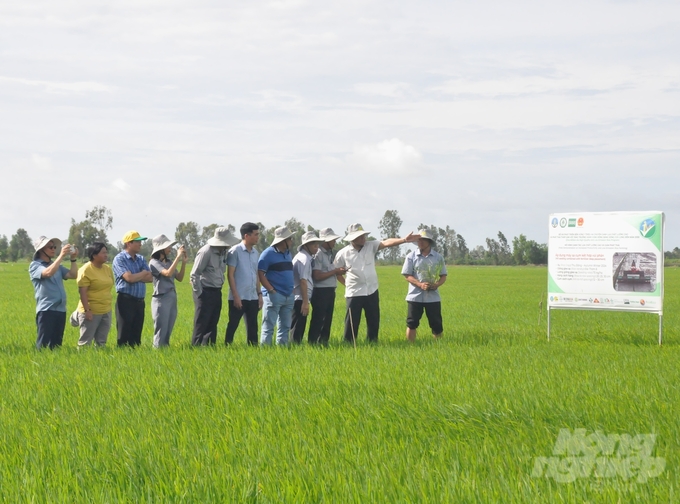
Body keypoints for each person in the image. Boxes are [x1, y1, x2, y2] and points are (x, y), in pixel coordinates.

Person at [333, 223, 417, 343]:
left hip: (371, 290)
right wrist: (346, 284)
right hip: (354, 293)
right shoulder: (343, 253)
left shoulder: (370, 246)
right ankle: (349, 343)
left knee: (373, 320)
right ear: (352, 238)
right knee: (352, 321)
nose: (363, 238)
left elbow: (387, 242)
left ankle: (372, 342)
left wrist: (404, 240)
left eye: (364, 236)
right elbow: (337, 272)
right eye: (360, 236)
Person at [190, 227, 240, 346]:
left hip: (217, 291)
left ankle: (209, 347)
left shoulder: (223, 252)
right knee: (202, 323)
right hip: (205, 291)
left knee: (213, 322)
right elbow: (194, 274)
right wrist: (200, 294)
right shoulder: (205, 252)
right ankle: (196, 348)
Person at [29, 236, 78, 349]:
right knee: (43, 345)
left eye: (54, 247)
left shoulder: (57, 266)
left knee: (56, 345)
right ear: (41, 250)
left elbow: (73, 275)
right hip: (46, 309)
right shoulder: (35, 265)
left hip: (60, 309)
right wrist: (61, 256)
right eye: (50, 247)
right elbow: (47, 273)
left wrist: (73, 259)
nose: (53, 249)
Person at [401, 229, 448, 341]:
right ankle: (410, 346)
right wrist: (420, 284)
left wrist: (436, 284)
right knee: (412, 323)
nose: (420, 242)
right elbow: (407, 275)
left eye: (423, 240)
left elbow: (443, 276)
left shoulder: (438, 257)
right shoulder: (411, 256)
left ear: (429, 242)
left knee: (436, 323)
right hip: (415, 296)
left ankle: (439, 346)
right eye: (418, 240)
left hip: (433, 297)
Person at [112, 231, 152, 347]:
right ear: (129, 243)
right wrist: (142, 273)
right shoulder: (120, 259)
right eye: (138, 242)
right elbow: (128, 278)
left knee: (136, 335)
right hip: (126, 301)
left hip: (140, 302)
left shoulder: (140, 258)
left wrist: (136, 276)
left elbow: (150, 278)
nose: (140, 244)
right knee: (124, 333)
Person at [225, 222, 262, 346]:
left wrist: (259, 294)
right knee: (233, 325)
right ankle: (227, 347)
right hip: (238, 296)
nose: (258, 237)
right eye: (256, 234)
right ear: (247, 235)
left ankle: (253, 350)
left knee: (253, 328)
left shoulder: (256, 253)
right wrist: (236, 296)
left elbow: (256, 274)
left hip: (252, 296)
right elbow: (230, 275)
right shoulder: (235, 251)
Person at [308, 228, 346, 345]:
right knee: (319, 318)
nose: (334, 242)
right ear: (326, 241)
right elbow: (317, 275)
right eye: (332, 240)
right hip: (320, 292)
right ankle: (313, 342)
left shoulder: (330, 253)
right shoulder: (319, 254)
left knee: (327, 319)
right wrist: (335, 271)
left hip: (330, 291)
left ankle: (324, 342)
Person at [71, 242, 114, 347]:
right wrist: (87, 311)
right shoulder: (85, 270)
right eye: (103, 253)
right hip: (91, 311)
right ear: (94, 255)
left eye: (106, 252)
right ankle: (82, 361)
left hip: (106, 310)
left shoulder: (107, 269)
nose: (106, 255)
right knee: (85, 342)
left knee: (101, 342)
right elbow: (82, 292)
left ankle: (99, 361)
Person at [258, 226, 295, 346]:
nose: (291, 241)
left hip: (288, 295)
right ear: (282, 241)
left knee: (285, 327)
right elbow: (260, 273)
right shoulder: (267, 254)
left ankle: (282, 350)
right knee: (268, 326)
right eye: (290, 239)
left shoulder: (288, 253)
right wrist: (271, 290)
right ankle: (265, 351)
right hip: (274, 296)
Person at [149, 234, 187, 348]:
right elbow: (167, 273)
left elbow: (179, 277)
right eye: (168, 247)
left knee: (169, 327)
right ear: (161, 249)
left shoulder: (169, 262)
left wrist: (184, 262)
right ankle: (157, 351)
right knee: (161, 328)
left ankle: (165, 349)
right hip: (160, 298)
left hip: (171, 296)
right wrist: (178, 257)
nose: (170, 249)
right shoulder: (154, 263)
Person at [290, 231, 324, 344]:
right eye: (313, 244)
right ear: (305, 245)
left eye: (317, 243)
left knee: (299, 326)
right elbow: (303, 281)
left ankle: (296, 347)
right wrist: (305, 302)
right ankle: (294, 349)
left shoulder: (306, 258)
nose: (316, 246)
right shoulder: (304, 259)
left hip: (301, 298)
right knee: (297, 327)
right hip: (300, 298)